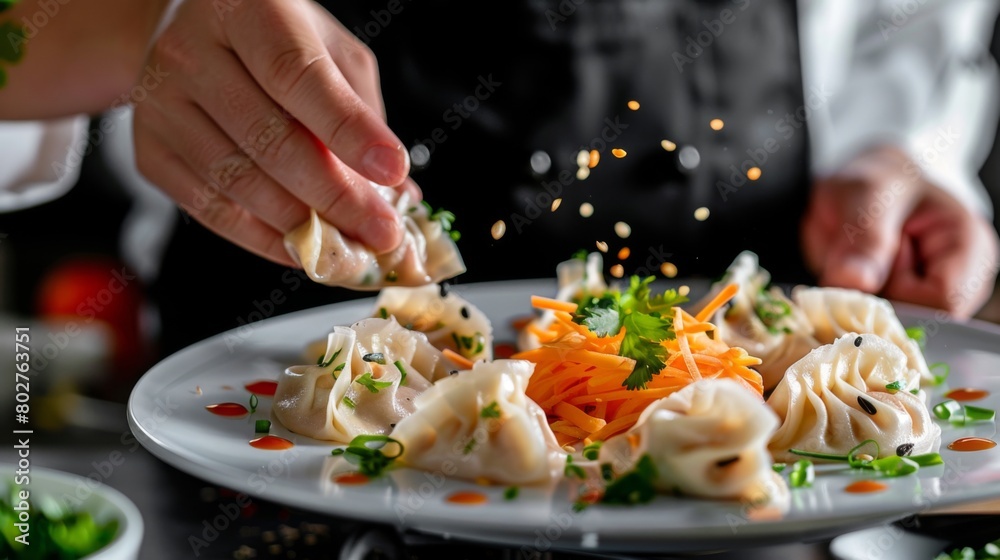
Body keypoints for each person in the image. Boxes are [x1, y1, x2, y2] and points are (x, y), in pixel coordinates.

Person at [1, 0, 998, 355]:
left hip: (782, 464)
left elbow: (905, 24)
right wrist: (133, 21)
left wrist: (896, 150)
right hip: (270, 447)